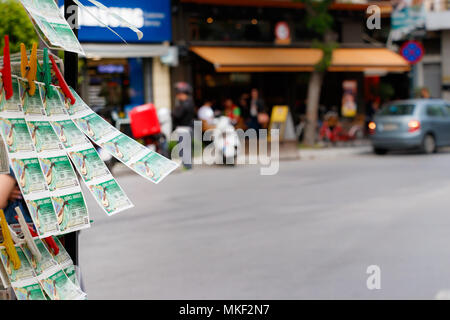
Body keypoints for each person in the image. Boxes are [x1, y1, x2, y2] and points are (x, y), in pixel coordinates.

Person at [172, 82, 195, 170]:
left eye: (179, 94)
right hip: (187, 128)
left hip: (184, 129)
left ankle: (187, 166)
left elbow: (177, 115)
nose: (178, 96)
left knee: (184, 148)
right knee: (185, 148)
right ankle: (187, 165)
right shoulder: (189, 102)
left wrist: (174, 111)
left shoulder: (185, 104)